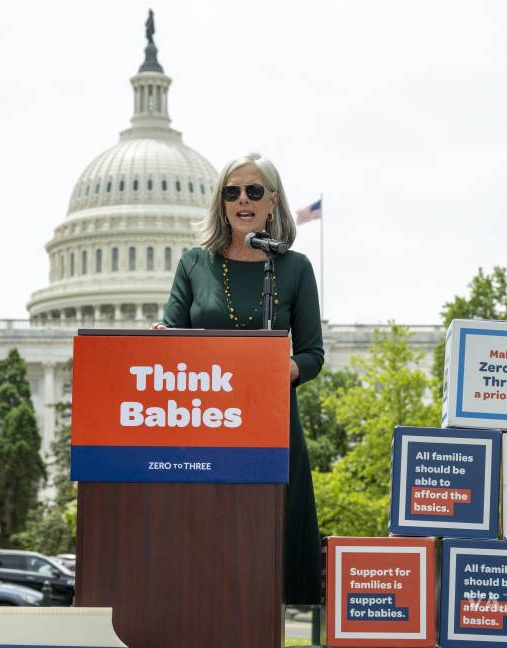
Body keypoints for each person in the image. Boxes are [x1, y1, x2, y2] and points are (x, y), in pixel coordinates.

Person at [154, 152, 324, 605]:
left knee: (263, 554)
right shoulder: (194, 264)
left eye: (253, 191)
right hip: (206, 424)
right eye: (232, 192)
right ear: (222, 202)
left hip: (270, 424)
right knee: (207, 556)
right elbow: (173, 335)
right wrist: (159, 340)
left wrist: (289, 367)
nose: (242, 200)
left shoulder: (295, 268)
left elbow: (313, 354)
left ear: (272, 201)